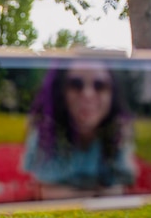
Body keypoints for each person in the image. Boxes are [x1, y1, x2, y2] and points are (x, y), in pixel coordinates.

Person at [22, 59, 137, 199]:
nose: (88, 94)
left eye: (99, 86)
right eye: (76, 85)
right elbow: (46, 193)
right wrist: (98, 193)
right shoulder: (45, 132)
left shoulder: (118, 132)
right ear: (59, 92)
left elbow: (121, 187)